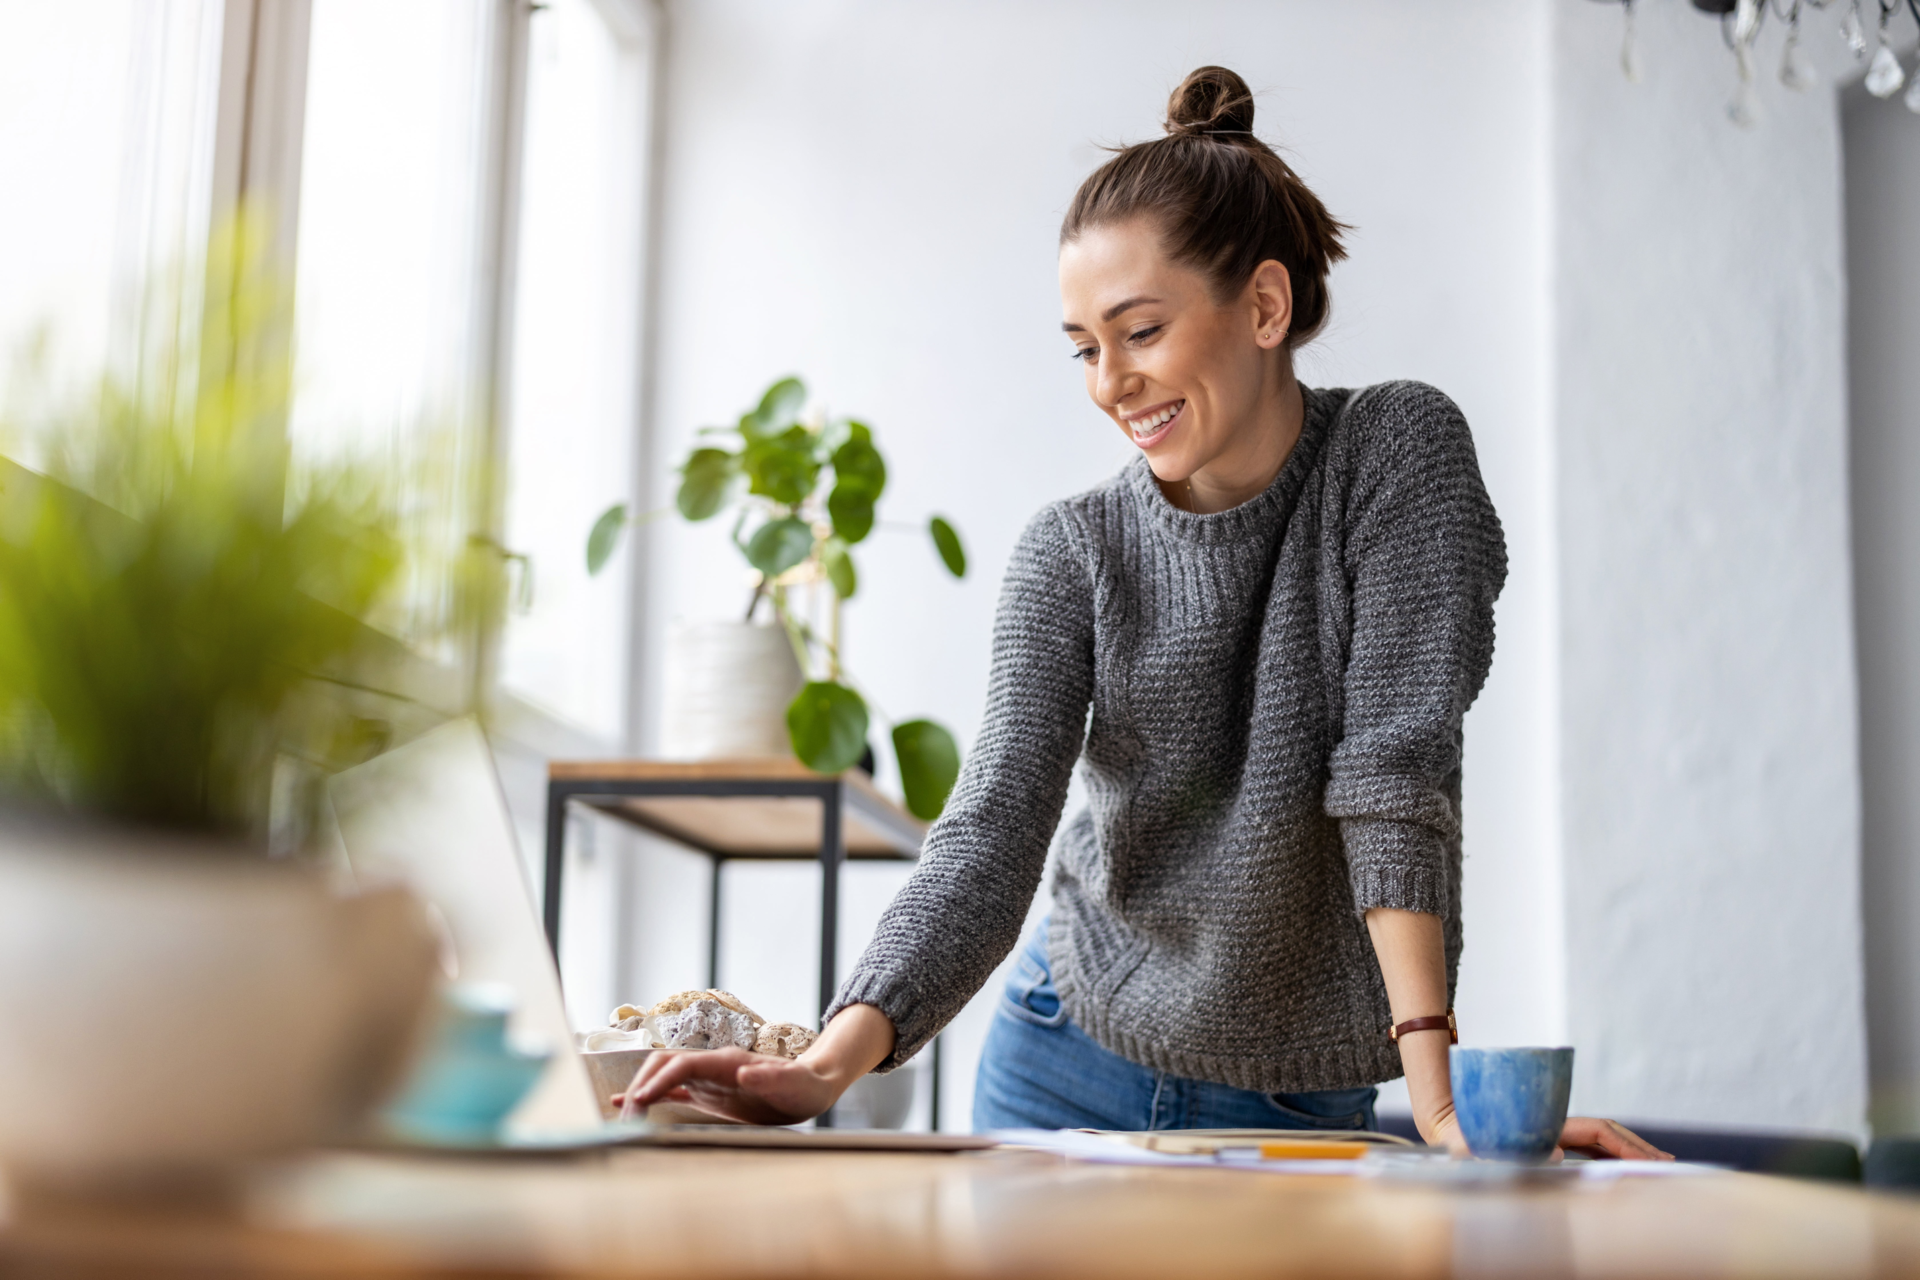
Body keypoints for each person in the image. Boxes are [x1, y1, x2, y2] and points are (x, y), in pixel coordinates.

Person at [626, 65, 1667, 1159]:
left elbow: (1394, 775)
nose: (1109, 382)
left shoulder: (1396, 457)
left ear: (1264, 306)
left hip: (1295, 1094)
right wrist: (824, 1065)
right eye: (1085, 346)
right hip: (1061, 1053)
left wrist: (1445, 1101)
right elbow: (993, 825)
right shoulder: (1070, 551)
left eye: (1141, 331)